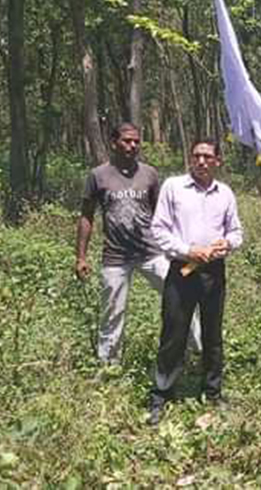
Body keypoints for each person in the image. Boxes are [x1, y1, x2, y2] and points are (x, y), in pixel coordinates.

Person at [77, 122, 205, 366]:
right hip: (115, 257)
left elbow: (163, 214)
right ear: (113, 143)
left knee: (181, 300)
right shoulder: (98, 176)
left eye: (136, 141)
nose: (132, 145)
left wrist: (179, 247)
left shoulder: (150, 174)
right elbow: (86, 216)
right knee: (112, 314)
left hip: (152, 252)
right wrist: (81, 257)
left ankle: (198, 351)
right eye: (126, 141)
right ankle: (108, 367)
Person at [146, 139, 243, 425]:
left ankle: (212, 392)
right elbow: (158, 229)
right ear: (190, 159)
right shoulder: (173, 188)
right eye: (197, 156)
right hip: (182, 270)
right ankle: (161, 394)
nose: (201, 161)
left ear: (217, 161)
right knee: (174, 332)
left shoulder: (224, 193)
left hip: (214, 272)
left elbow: (236, 231)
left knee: (213, 334)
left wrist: (227, 243)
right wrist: (189, 250)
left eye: (208, 157)